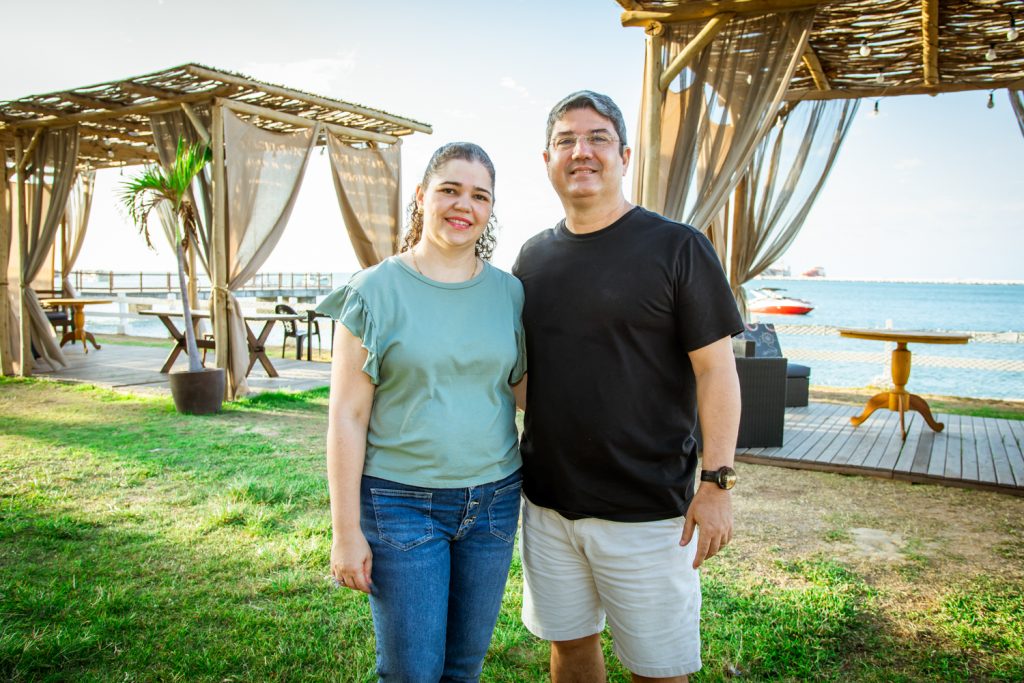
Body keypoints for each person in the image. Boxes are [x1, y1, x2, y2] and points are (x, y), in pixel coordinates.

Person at [512, 91, 743, 682]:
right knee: (569, 648)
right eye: (565, 140)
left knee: (658, 672)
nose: (580, 152)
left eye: (596, 139)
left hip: (648, 513)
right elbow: (527, 375)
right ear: (547, 159)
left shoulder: (677, 246)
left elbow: (717, 371)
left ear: (624, 155)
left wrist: (716, 483)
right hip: (548, 506)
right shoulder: (532, 258)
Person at [320, 142, 526, 682]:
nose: (465, 205)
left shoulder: (509, 294)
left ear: (490, 209)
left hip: (495, 503)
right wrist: (345, 531)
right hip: (400, 504)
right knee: (412, 672)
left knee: (463, 668)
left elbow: (525, 391)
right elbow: (347, 416)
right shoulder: (373, 291)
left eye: (480, 195)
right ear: (421, 197)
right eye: (450, 190)